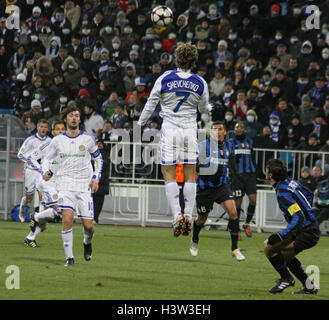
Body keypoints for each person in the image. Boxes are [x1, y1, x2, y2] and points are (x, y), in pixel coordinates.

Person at [137, 43, 211, 237]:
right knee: (190, 173)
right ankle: (187, 214)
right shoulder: (200, 82)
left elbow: (151, 102)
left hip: (170, 129)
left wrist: (140, 124)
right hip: (189, 129)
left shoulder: (165, 78)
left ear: (176, 59)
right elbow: (204, 110)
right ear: (194, 62)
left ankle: (176, 215)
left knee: (168, 172)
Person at [42, 106, 103, 266]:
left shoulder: (88, 139)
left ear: (79, 119)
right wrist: (46, 170)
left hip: (84, 186)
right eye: (71, 115)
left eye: (77, 115)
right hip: (66, 184)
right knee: (67, 218)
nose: (74, 118)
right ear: (66, 119)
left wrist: (96, 177)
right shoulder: (57, 141)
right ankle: (69, 258)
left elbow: (98, 159)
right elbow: (46, 159)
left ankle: (87, 242)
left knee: (89, 226)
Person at [264, 159, 320, 294]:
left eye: (267, 169)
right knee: (286, 256)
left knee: (269, 248)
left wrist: (282, 234)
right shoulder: (291, 182)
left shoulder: (283, 193)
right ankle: (309, 287)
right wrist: (307, 210)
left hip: (307, 232)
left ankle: (286, 278)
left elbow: (298, 216)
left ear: (270, 175)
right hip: (307, 227)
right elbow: (309, 194)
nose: (265, 171)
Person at [190, 121, 245, 261]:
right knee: (201, 219)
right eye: (215, 129)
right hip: (205, 188)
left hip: (222, 186)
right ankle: (195, 239)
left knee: (233, 213)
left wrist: (240, 179)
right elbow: (196, 166)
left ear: (225, 132)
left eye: (220, 129)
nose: (218, 132)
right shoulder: (204, 145)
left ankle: (234, 249)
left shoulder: (228, 146)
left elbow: (232, 164)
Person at [24, 120, 66, 247]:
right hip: (48, 183)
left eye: (62, 129)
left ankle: (30, 237)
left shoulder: (67, 145)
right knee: (58, 210)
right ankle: (35, 216)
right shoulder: (48, 144)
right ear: (53, 132)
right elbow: (30, 157)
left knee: (47, 216)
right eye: (57, 129)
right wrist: (43, 171)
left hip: (59, 183)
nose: (60, 131)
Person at [17, 119, 51, 223]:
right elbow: (20, 154)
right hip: (31, 171)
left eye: (45, 127)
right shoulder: (30, 140)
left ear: (48, 129)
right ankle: (22, 208)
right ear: (37, 127)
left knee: (42, 195)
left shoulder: (50, 141)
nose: (43, 129)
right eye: (41, 127)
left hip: (42, 172)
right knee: (29, 198)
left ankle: (38, 219)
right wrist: (32, 161)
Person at [229, 121, 257, 238]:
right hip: (237, 176)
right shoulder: (230, 142)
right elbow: (230, 159)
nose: (239, 129)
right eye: (237, 127)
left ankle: (247, 223)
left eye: (241, 127)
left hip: (250, 175)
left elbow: (253, 157)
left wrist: (256, 171)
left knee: (253, 199)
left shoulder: (250, 141)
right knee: (238, 202)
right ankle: (236, 228)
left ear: (244, 129)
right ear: (234, 129)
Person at [92, 139, 110, 224]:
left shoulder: (106, 156)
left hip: (101, 183)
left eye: (100, 144)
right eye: (97, 143)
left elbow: (105, 170)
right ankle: (91, 218)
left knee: (98, 203)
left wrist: (98, 179)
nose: (99, 145)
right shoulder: (91, 154)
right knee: (91, 202)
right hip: (93, 182)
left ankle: (95, 218)